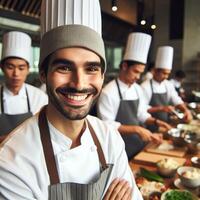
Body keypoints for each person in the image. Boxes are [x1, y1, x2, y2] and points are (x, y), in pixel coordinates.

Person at [0, 0, 142, 199]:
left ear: (102, 76)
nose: (78, 84)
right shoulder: (11, 163)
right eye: (64, 67)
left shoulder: (109, 138)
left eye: (91, 68)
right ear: (43, 74)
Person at [97, 32, 171, 160]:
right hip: (117, 148)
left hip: (137, 144)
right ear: (125, 66)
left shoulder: (137, 89)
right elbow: (107, 125)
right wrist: (137, 129)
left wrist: (156, 122)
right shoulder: (108, 92)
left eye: (140, 73)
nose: (138, 77)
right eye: (135, 71)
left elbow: (141, 114)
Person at [0, 31, 48, 136]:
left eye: (21, 68)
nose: (16, 73)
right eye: (10, 67)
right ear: (2, 68)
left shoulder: (39, 97)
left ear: (28, 70)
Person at [141, 46, 192, 127]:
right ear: (155, 71)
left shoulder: (168, 84)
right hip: (150, 125)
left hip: (165, 122)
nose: (166, 76)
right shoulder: (145, 86)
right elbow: (142, 109)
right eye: (164, 73)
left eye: (168, 73)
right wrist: (162, 108)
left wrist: (186, 110)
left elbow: (176, 99)